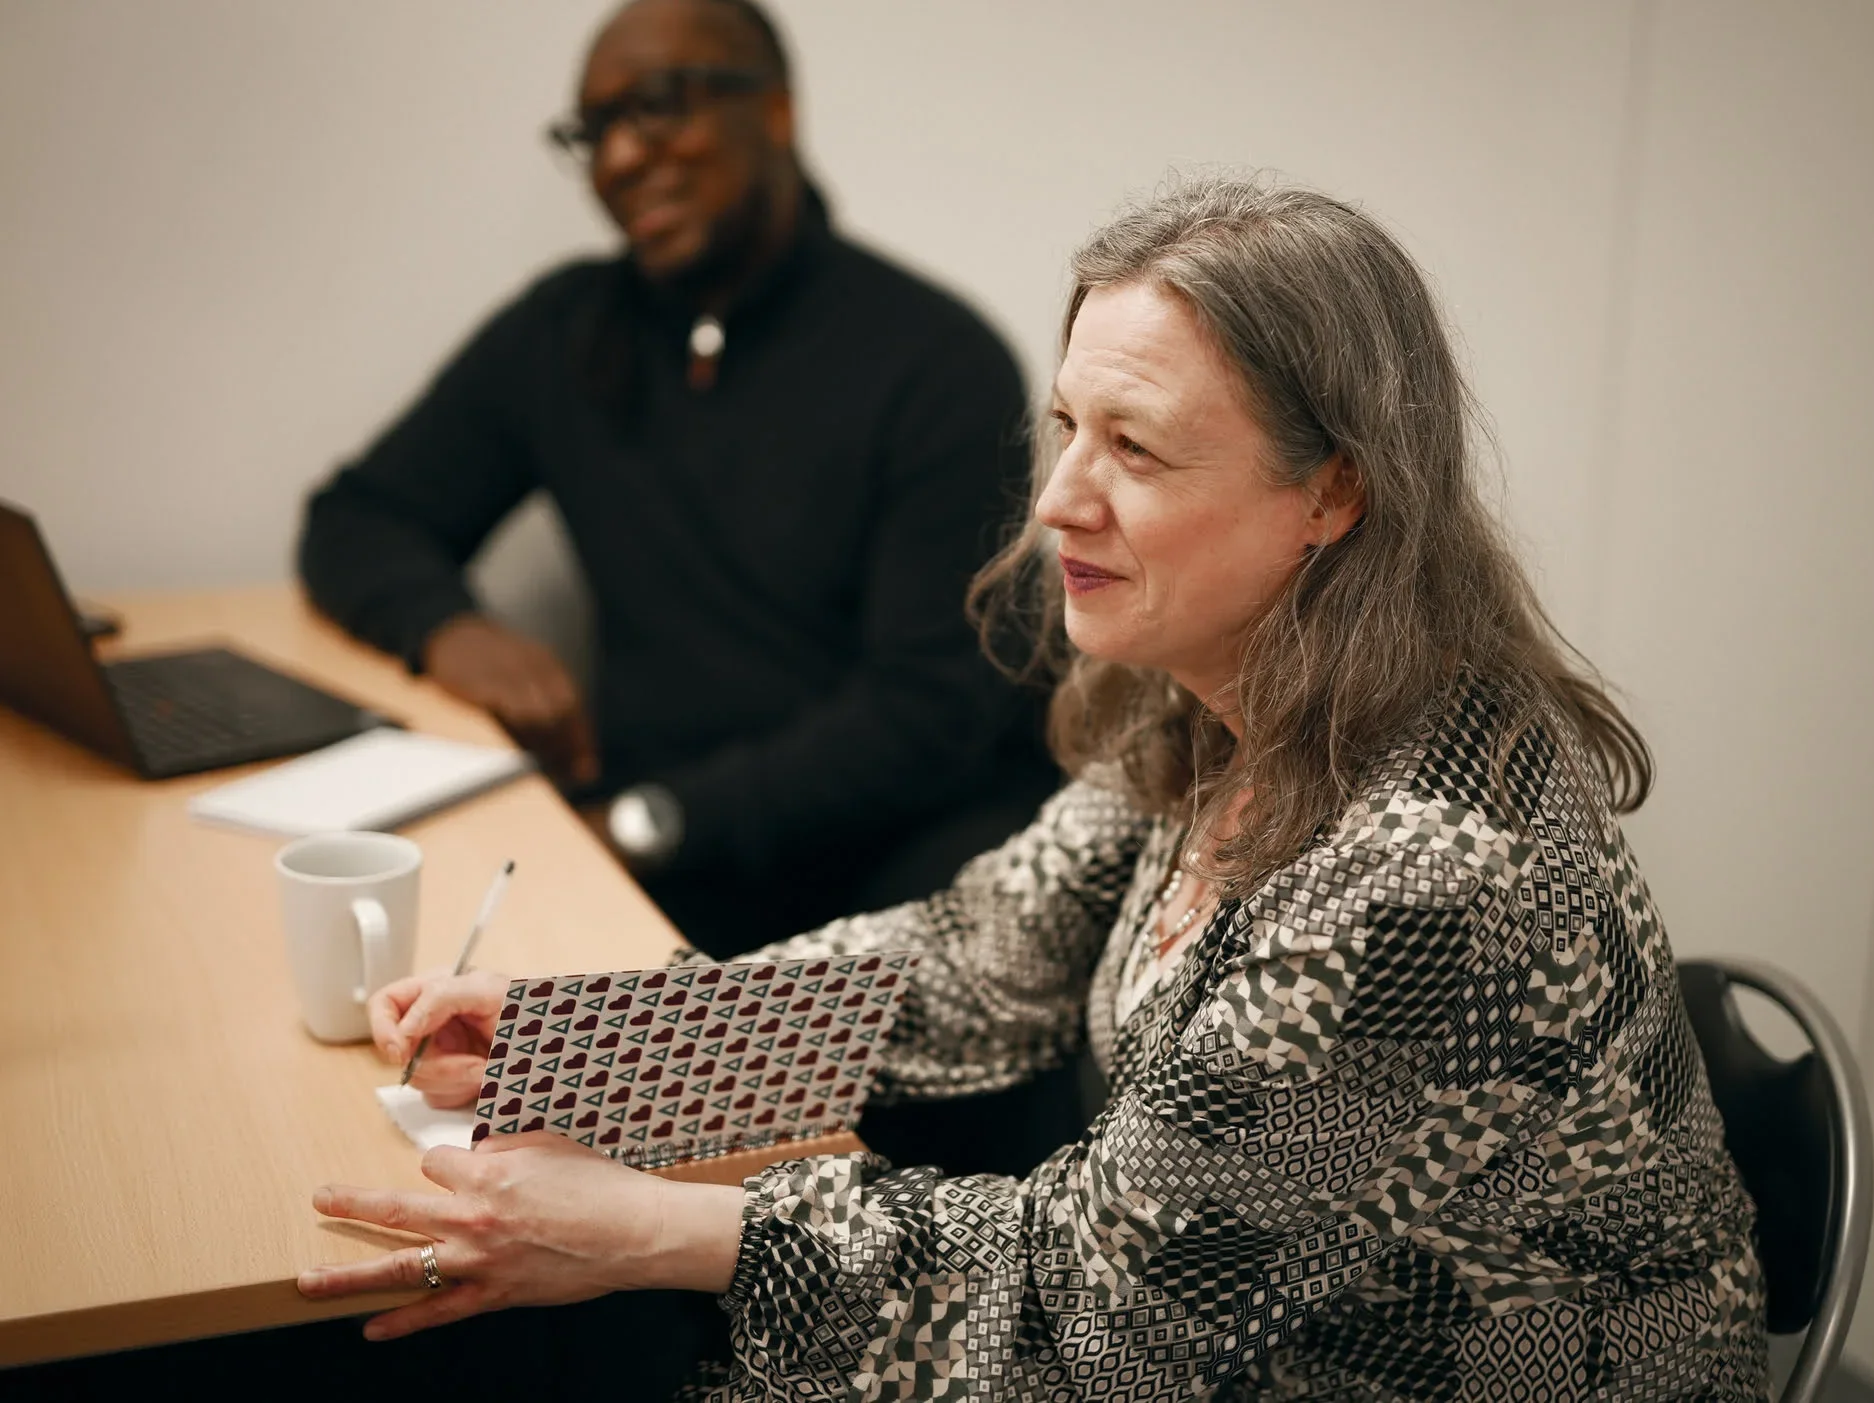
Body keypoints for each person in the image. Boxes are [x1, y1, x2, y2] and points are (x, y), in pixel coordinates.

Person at [299, 178, 1770, 1400]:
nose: (1061, 495)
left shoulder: (1426, 869)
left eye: (1134, 446)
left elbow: (1100, 1313)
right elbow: (969, 957)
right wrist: (589, 1042)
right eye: (1068, 426)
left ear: (1331, 494)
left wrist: (658, 1226)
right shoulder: (1222, 697)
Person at [297, 0, 1055, 960]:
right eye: (594, 130)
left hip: (881, 876)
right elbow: (358, 515)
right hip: (652, 866)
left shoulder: (937, 359)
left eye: (656, 107)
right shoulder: (567, 333)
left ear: (776, 112)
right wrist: (447, 628)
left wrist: (650, 821)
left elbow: (930, 712)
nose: (616, 161)